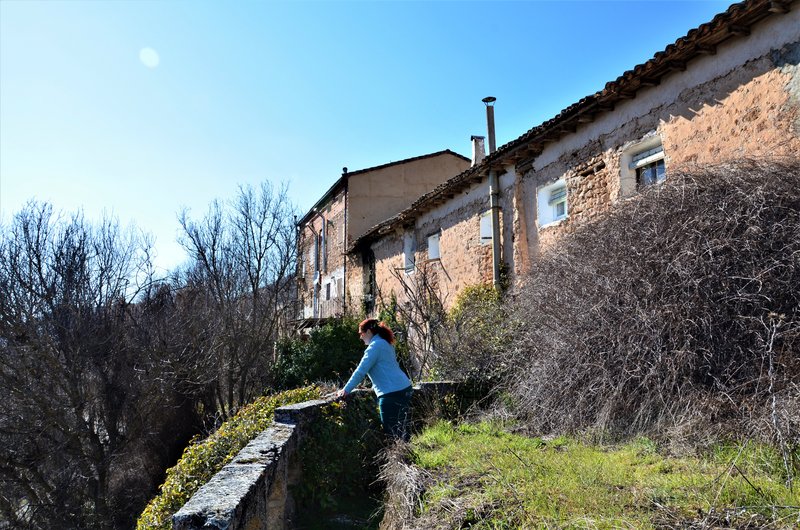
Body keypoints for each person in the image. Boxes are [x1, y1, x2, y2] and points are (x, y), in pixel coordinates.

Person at [336, 318, 414, 441]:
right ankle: (407, 456)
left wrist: (346, 390)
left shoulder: (375, 346)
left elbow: (361, 371)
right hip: (405, 388)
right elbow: (386, 368)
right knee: (403, 429)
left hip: (391, 393)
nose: (360, 337)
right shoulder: (385, 342)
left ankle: (400, 457)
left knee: (391, 432)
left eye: (361, 333)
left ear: (368, 332)